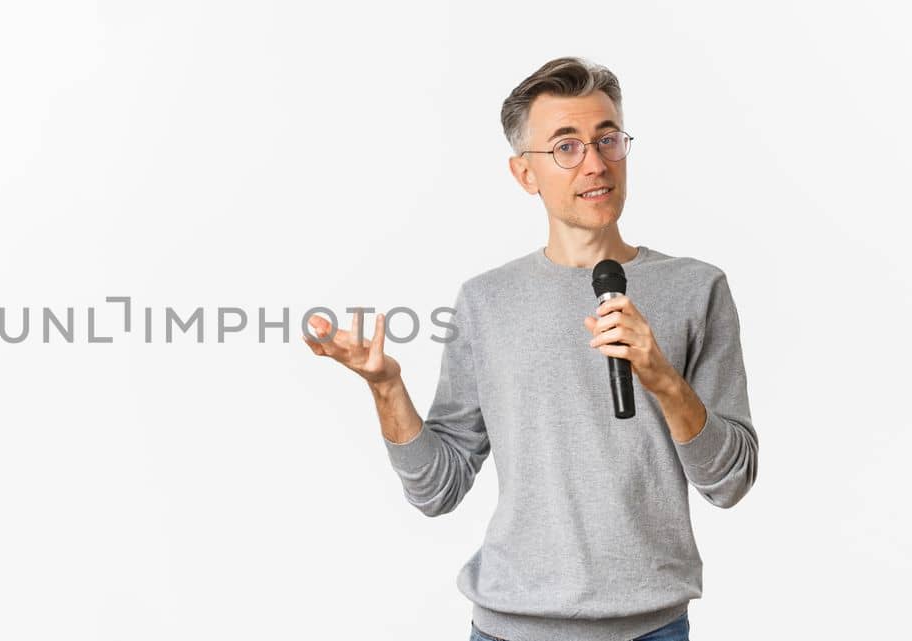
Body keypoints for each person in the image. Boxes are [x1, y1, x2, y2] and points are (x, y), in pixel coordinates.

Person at [303, 57, 758, 641]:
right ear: (525, 174)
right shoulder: (486, 301)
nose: (595, 163)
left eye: (608, 139)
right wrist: (386, 388)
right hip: (509, 627)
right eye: (566, 147)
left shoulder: (698, 289)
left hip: (652, 627)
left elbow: (732, 480)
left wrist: (662, 377)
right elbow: (438, 489)